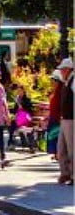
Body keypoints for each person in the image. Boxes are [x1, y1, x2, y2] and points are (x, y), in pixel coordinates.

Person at [58, 57, 74, 185]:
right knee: (61, 148)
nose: (61, 72)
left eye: (63, 70)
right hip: (65, 119)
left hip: (71, 119)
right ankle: (65, 173)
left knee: (71, 149)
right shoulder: (66, 82)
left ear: (68, 70)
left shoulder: (73, 82)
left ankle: (72, 174)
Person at [9, 84, 37, 152]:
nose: (19, 92)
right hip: (19, 118)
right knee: (11, 125)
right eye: (18, 91)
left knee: (28, 128)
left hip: (26, 118)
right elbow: (15, 110)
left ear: (23, 91)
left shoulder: (27, 99)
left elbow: (29, 109)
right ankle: (11, 143)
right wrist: (11, 114)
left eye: (20, 91)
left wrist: (21, 106)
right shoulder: (17, 100)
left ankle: (31, 146)